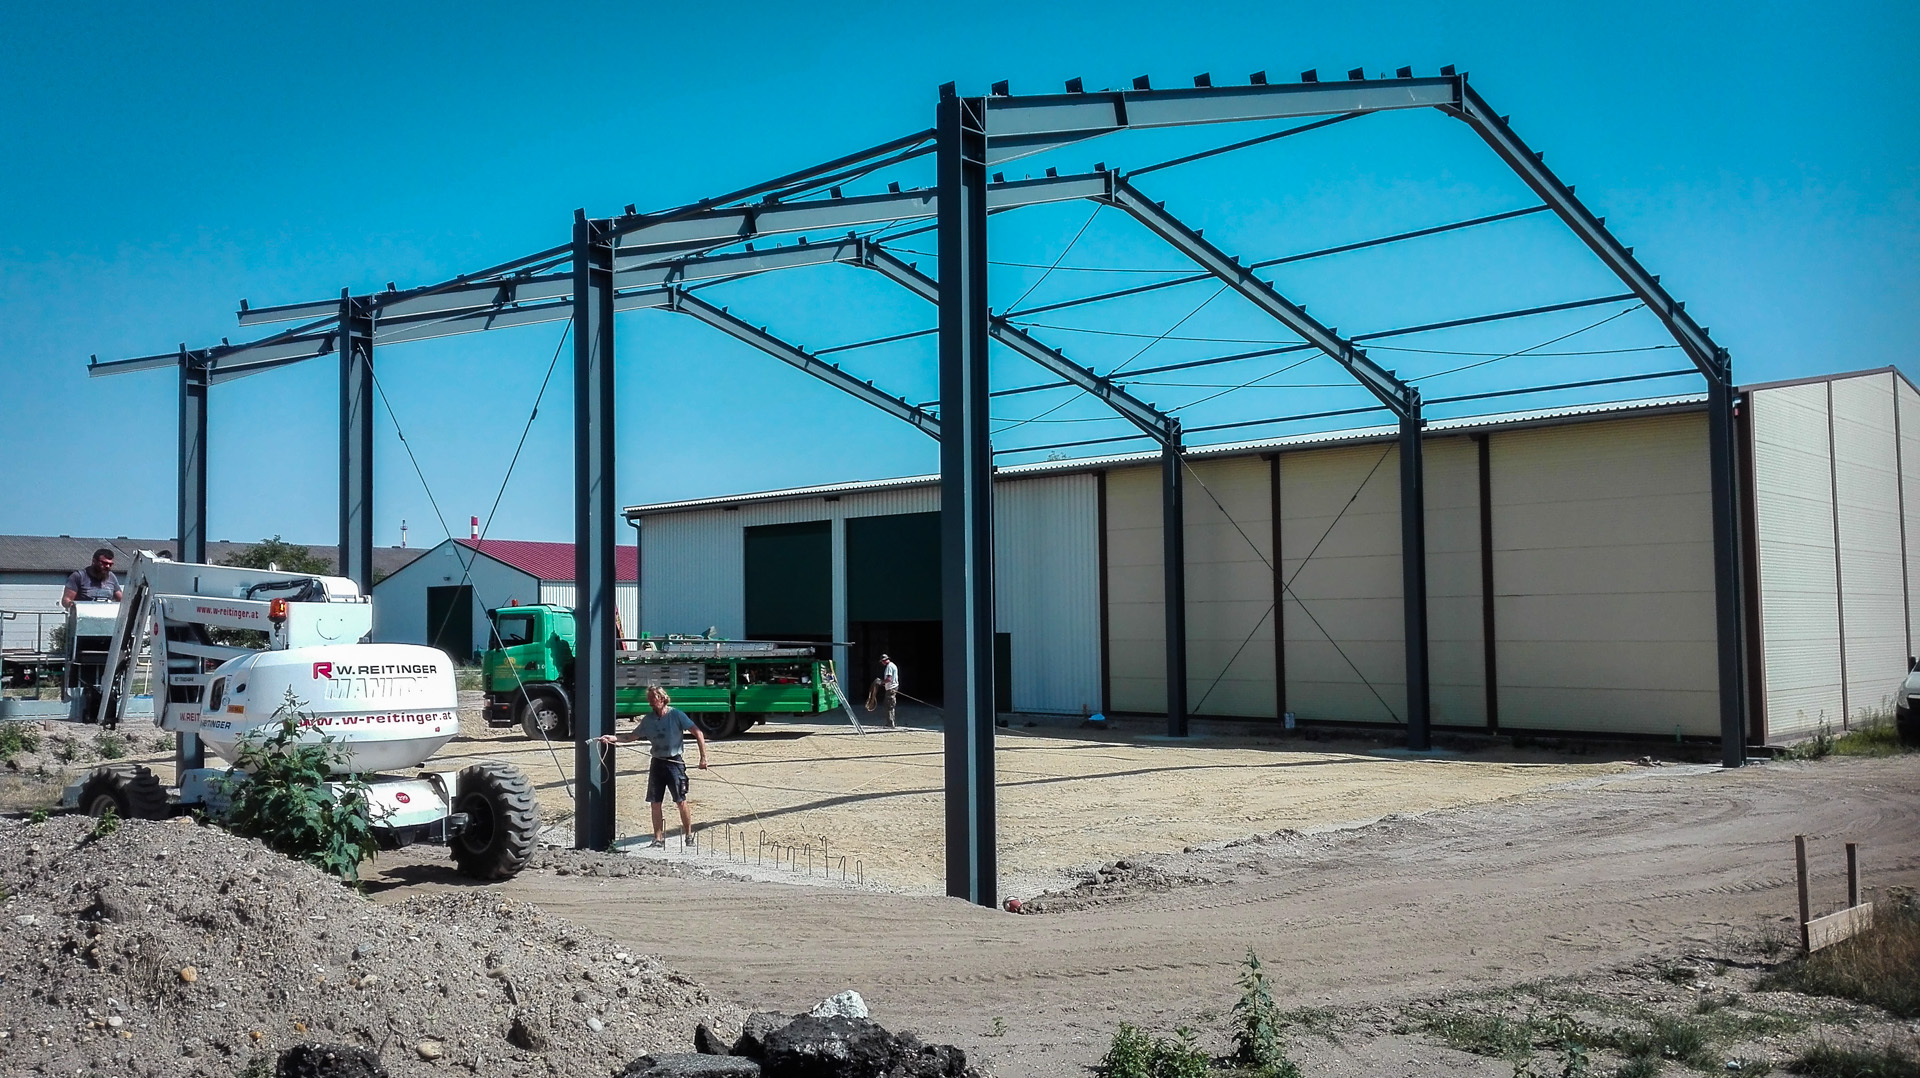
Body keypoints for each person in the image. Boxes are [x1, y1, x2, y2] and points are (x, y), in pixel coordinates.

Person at [597, 684, 709, 848]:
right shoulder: (648, 720)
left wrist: (703, 758)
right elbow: (631, 736)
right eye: (649, 700)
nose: (650, 703)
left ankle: (688, 835)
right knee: (655, 802)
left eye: (653, 699)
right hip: (657, 763)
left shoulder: (676, 715)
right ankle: (658, 838)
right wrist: (612, 738)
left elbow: (698, 732)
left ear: (662, 699)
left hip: (674, 763)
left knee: (680, 800)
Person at [866, 653, 900, 728]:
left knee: (888, 706)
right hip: (893, 688)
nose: (882, 663)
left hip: (891, 689)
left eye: (882, 661)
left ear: (884, 661)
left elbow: (889, 679)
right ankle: (891, 722)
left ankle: (890, 724)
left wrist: (881, 682)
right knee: (890, 705)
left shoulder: (889, 667)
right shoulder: (892, 665)